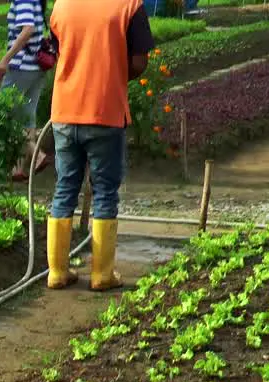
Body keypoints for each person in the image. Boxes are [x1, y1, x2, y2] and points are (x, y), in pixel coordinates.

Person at [45, 0, 155, 292]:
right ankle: (101, 275)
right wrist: (113, 76)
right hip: (105, 111)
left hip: (65, 111)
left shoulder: (61, 6)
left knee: (65, 186)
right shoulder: (130, 6)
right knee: (105, 190)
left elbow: (57, 52)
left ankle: (57, 272)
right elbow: (139, 62)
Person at [0, 0, 51, 181]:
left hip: (20, 67)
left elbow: (27, 30)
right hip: (36, 68)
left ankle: (37, 155)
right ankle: (18, 168)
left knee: (4, 113)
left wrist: (5, 58)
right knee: (26, 117)